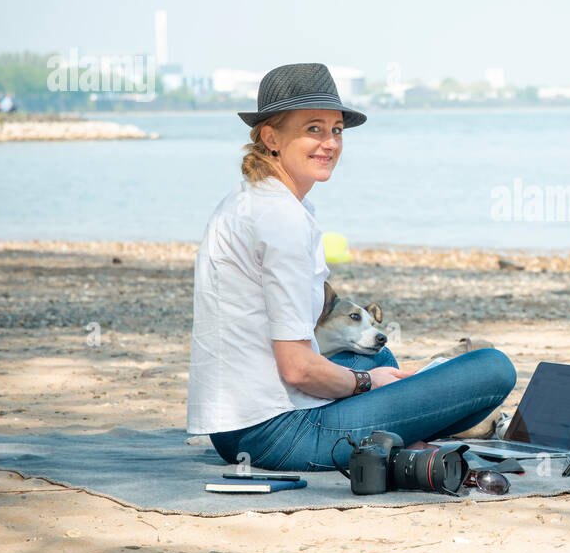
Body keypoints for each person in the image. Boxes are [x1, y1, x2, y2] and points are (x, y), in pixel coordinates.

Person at [186, 62, 517, 473]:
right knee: (492, 368)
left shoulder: (254, 200)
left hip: (235, 424)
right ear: (271, 137)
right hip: (275, 435)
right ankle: (409, 427)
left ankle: (406, 423)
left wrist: (373, 377)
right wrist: (365, 385)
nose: (330, 143)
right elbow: (298, 367)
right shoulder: (280, 219)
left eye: (336, 129)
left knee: (380, 359)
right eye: (313, 129)